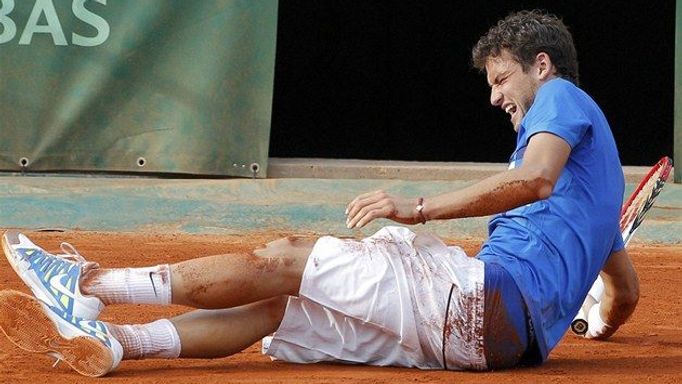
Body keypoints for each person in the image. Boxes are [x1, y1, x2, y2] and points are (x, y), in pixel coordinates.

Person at [0, 10, 639, 377]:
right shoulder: (600, 197)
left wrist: (413, 209)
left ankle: (87, 286)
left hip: (479, 301)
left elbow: (532, 179)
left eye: (502, 80)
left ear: (542, 66)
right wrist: (595, 326)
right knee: (280, 310)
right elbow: (625, 296)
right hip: (496, 346)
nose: (496, 97)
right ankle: (121, 344)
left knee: (286, 257)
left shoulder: (560, 99)